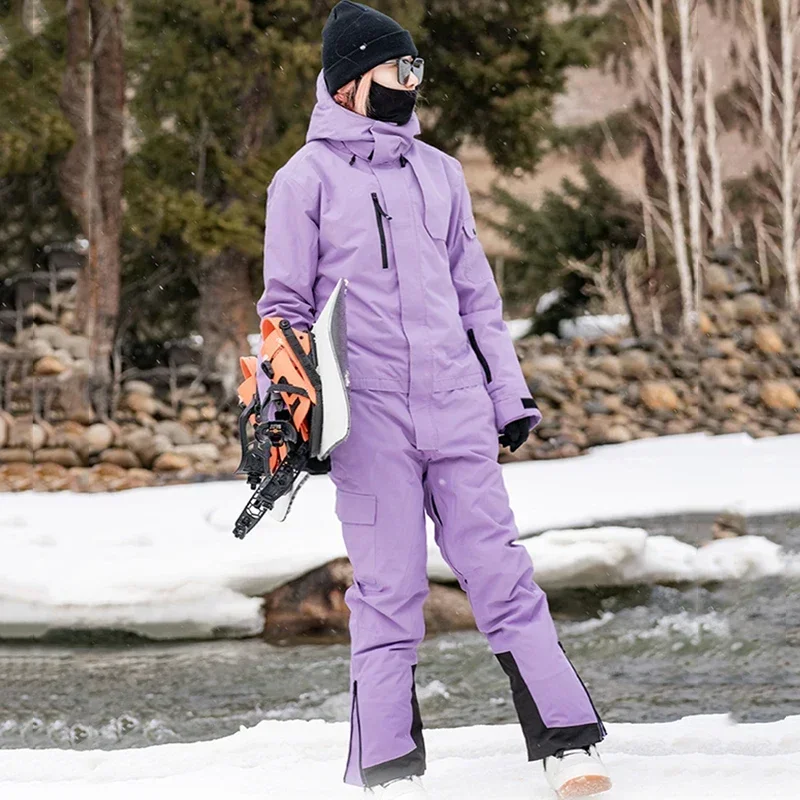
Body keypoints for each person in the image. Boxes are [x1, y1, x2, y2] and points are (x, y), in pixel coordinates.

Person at [255, 3, 612, 797]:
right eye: (398, 69)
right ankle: (387, 774)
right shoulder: (302, 181)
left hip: (455, 408)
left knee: (502, 576)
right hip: (369, 421)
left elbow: (476, 295)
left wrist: (506, 394)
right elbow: (282, 309)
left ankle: (570, 747)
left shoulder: (440, 174)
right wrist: (295, 411)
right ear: (353, 79)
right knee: (389, 596)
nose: (412, 83)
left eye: (417, 69)